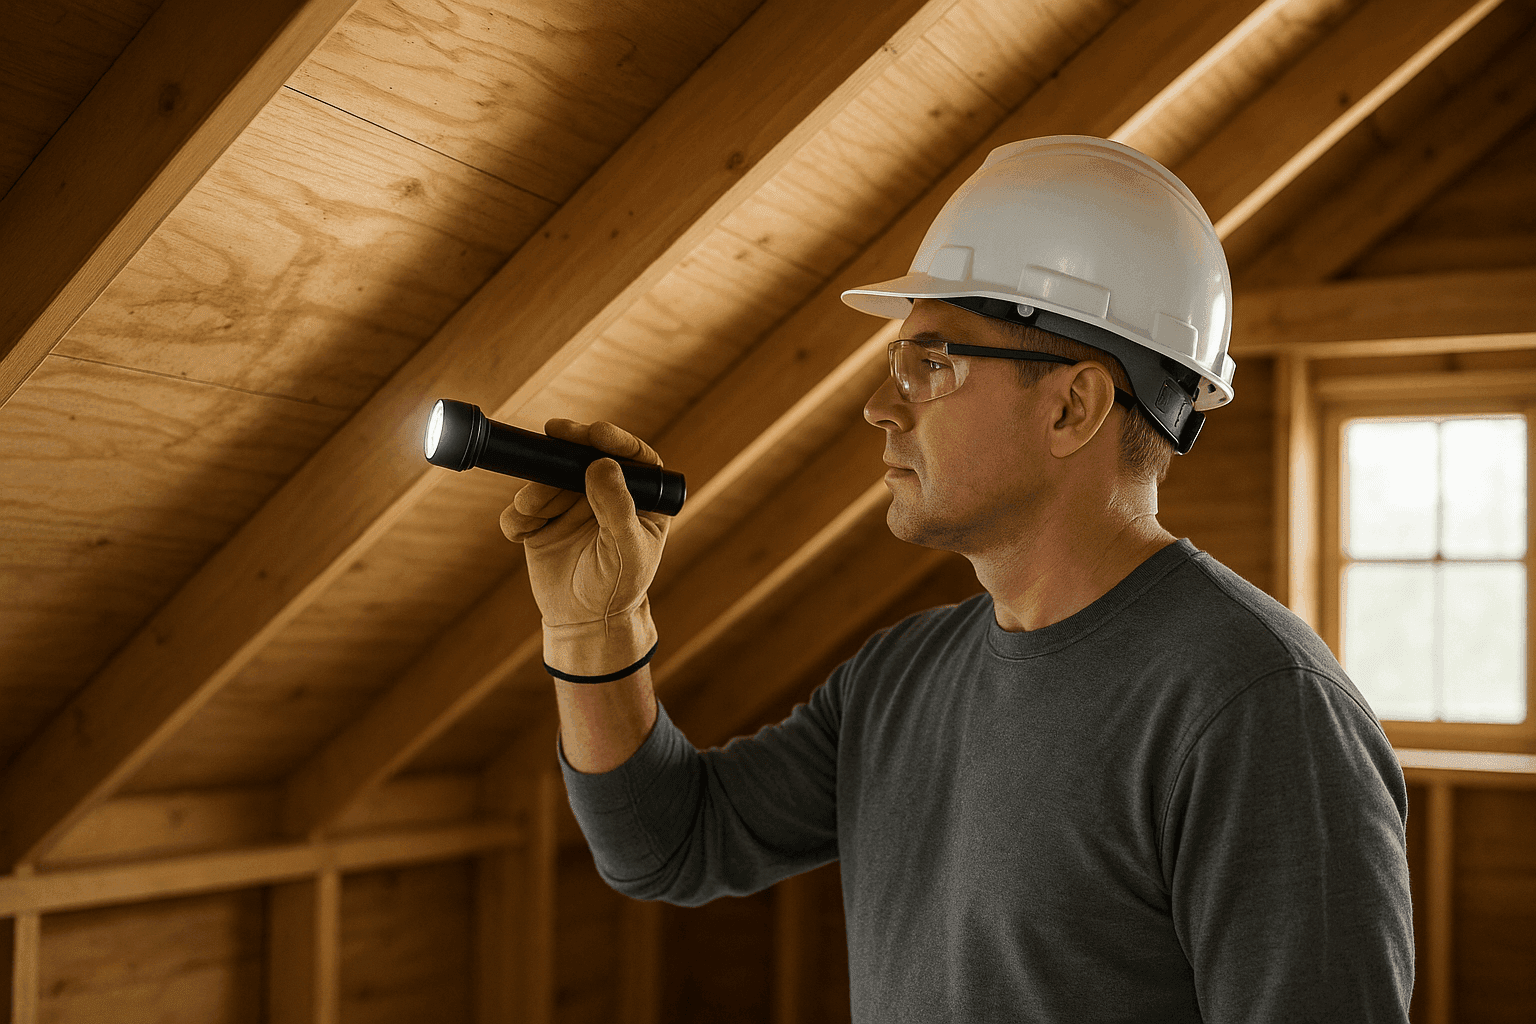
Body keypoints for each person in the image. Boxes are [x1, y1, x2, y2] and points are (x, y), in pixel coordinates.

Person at [500, 137, 1414, 1022]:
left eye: (931, 363)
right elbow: (666, 845)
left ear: (1073, 405)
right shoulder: (898, 679)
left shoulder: (1260, 711)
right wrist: (595, 630)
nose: (879, 405)